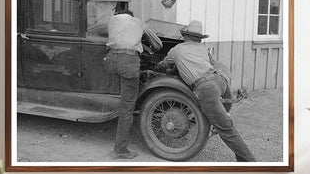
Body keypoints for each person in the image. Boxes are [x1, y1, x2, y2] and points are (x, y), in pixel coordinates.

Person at [156, 20, 255, 162]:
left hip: (205, 87)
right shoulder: (204, 49)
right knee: (220, 111)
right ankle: (223, 114)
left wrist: (161, 66)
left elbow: (165, 64)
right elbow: (212, 63)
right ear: (199, 38)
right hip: (219, 81)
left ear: (185, 36)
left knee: (227, 130)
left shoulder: (176, 49)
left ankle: (250, 163)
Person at [103, 9, 150, 160]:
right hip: (128, 62)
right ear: (131, 16)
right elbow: (157, 43)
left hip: (109, 61)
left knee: (121, 83)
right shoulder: (138, 22)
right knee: (127, 108)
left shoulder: (111, 21)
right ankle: (120, 149)